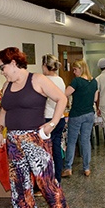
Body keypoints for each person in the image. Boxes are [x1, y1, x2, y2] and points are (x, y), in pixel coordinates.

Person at [0, 47, 73, 208]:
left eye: (2, 67)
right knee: (19, 185)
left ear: (13, 63)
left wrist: (52, 123)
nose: (2, 71)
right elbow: (4, 111)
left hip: (34, 139)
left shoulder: (37, 79)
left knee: (46, 181)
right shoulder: (6, 86)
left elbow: (61, 98)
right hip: (13, 140)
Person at [62, 59, 98, 177]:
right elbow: (95, 99)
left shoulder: (76, 81)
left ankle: (68, 168)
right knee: (85, 141)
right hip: (89, 114)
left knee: (72, 141)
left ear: (81, 69)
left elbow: (65, 94)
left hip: (76, 114)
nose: (73, 72)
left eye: (75, 69)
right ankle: (86, 168)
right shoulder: (94, 82)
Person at [42, 54, 66, 183]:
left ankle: (47, 180)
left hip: (48, 119)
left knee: (45, 151)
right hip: (59, 118)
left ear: (45, 66)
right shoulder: (60, 79)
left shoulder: (45, 80)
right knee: (56, 148)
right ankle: (57, 178)